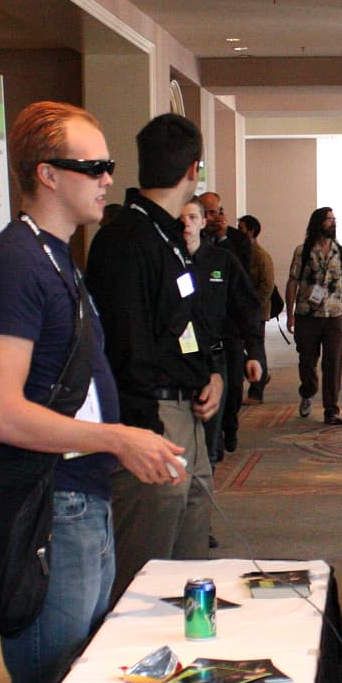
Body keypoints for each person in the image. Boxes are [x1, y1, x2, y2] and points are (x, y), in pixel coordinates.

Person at [0, 101, 185, 683]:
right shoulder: (16, 265)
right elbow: (2, 412)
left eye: (108, 165)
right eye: (93, 167)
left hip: (78, 502)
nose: (108, 180)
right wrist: (117, 438)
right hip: (48, 507)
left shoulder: (57, 259)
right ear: (46, 175)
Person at [85, 113, 219, 594]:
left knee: (188, 569)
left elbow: (185, 319)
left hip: (189, 412)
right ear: (193, 170)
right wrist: (143, 432)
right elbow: (126, 346)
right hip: (152, 418)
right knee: (143, 580)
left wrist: (211, 372)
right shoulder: (126, 238)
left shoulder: (169, 236)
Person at [179, 197, 263, 462]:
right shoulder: (167, 262)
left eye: (193, 217)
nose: (186, 224)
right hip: (177, 357)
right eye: (181, 219)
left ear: (203, 222)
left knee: (212, 429)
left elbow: (247, 305)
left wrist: (254, 352)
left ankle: (219, 447)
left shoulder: (221, 260)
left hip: (216, 354)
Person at [285, 206, 342, 426]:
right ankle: (308, 391)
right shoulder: (303, 251)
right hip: (307, 315)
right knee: (307, 361)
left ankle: (331, 410)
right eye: (329, 219)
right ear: (318, 223)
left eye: (334, 219)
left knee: (333, 363)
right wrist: (290, 314)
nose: (333, 223)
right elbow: (292, 282)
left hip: (335, 315)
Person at [238, 213, 276, 403]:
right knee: (239, 348)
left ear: (251, 231)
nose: (238, 232)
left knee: (255, 349)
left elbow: (267, 286)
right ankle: (260, 374)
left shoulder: (261, 256)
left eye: (241, 229)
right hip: (242, 310)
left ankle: (256, 391)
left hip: (256, 312)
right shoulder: (240, 252)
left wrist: (254, 307)